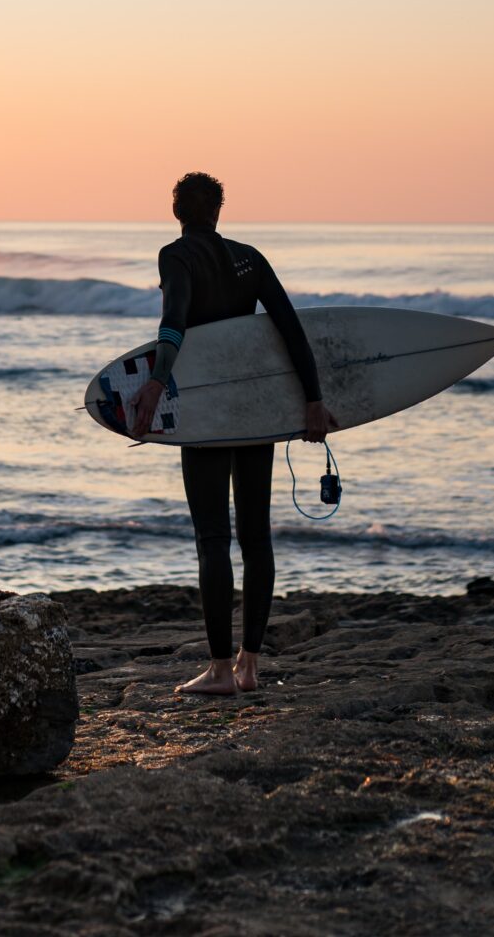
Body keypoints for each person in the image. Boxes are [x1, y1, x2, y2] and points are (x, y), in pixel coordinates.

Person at [130, 172, 336, 696]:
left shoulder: (176, 257)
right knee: (256, 537)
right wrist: (313, 400)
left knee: (213, 540)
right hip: (253, 412)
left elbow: (173, 323)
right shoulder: (249, 257)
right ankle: (251, 665)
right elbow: (290, 328)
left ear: (176, 211)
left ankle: (220, 670)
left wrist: (156, 382)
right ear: (219, 211)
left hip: (206, 411)